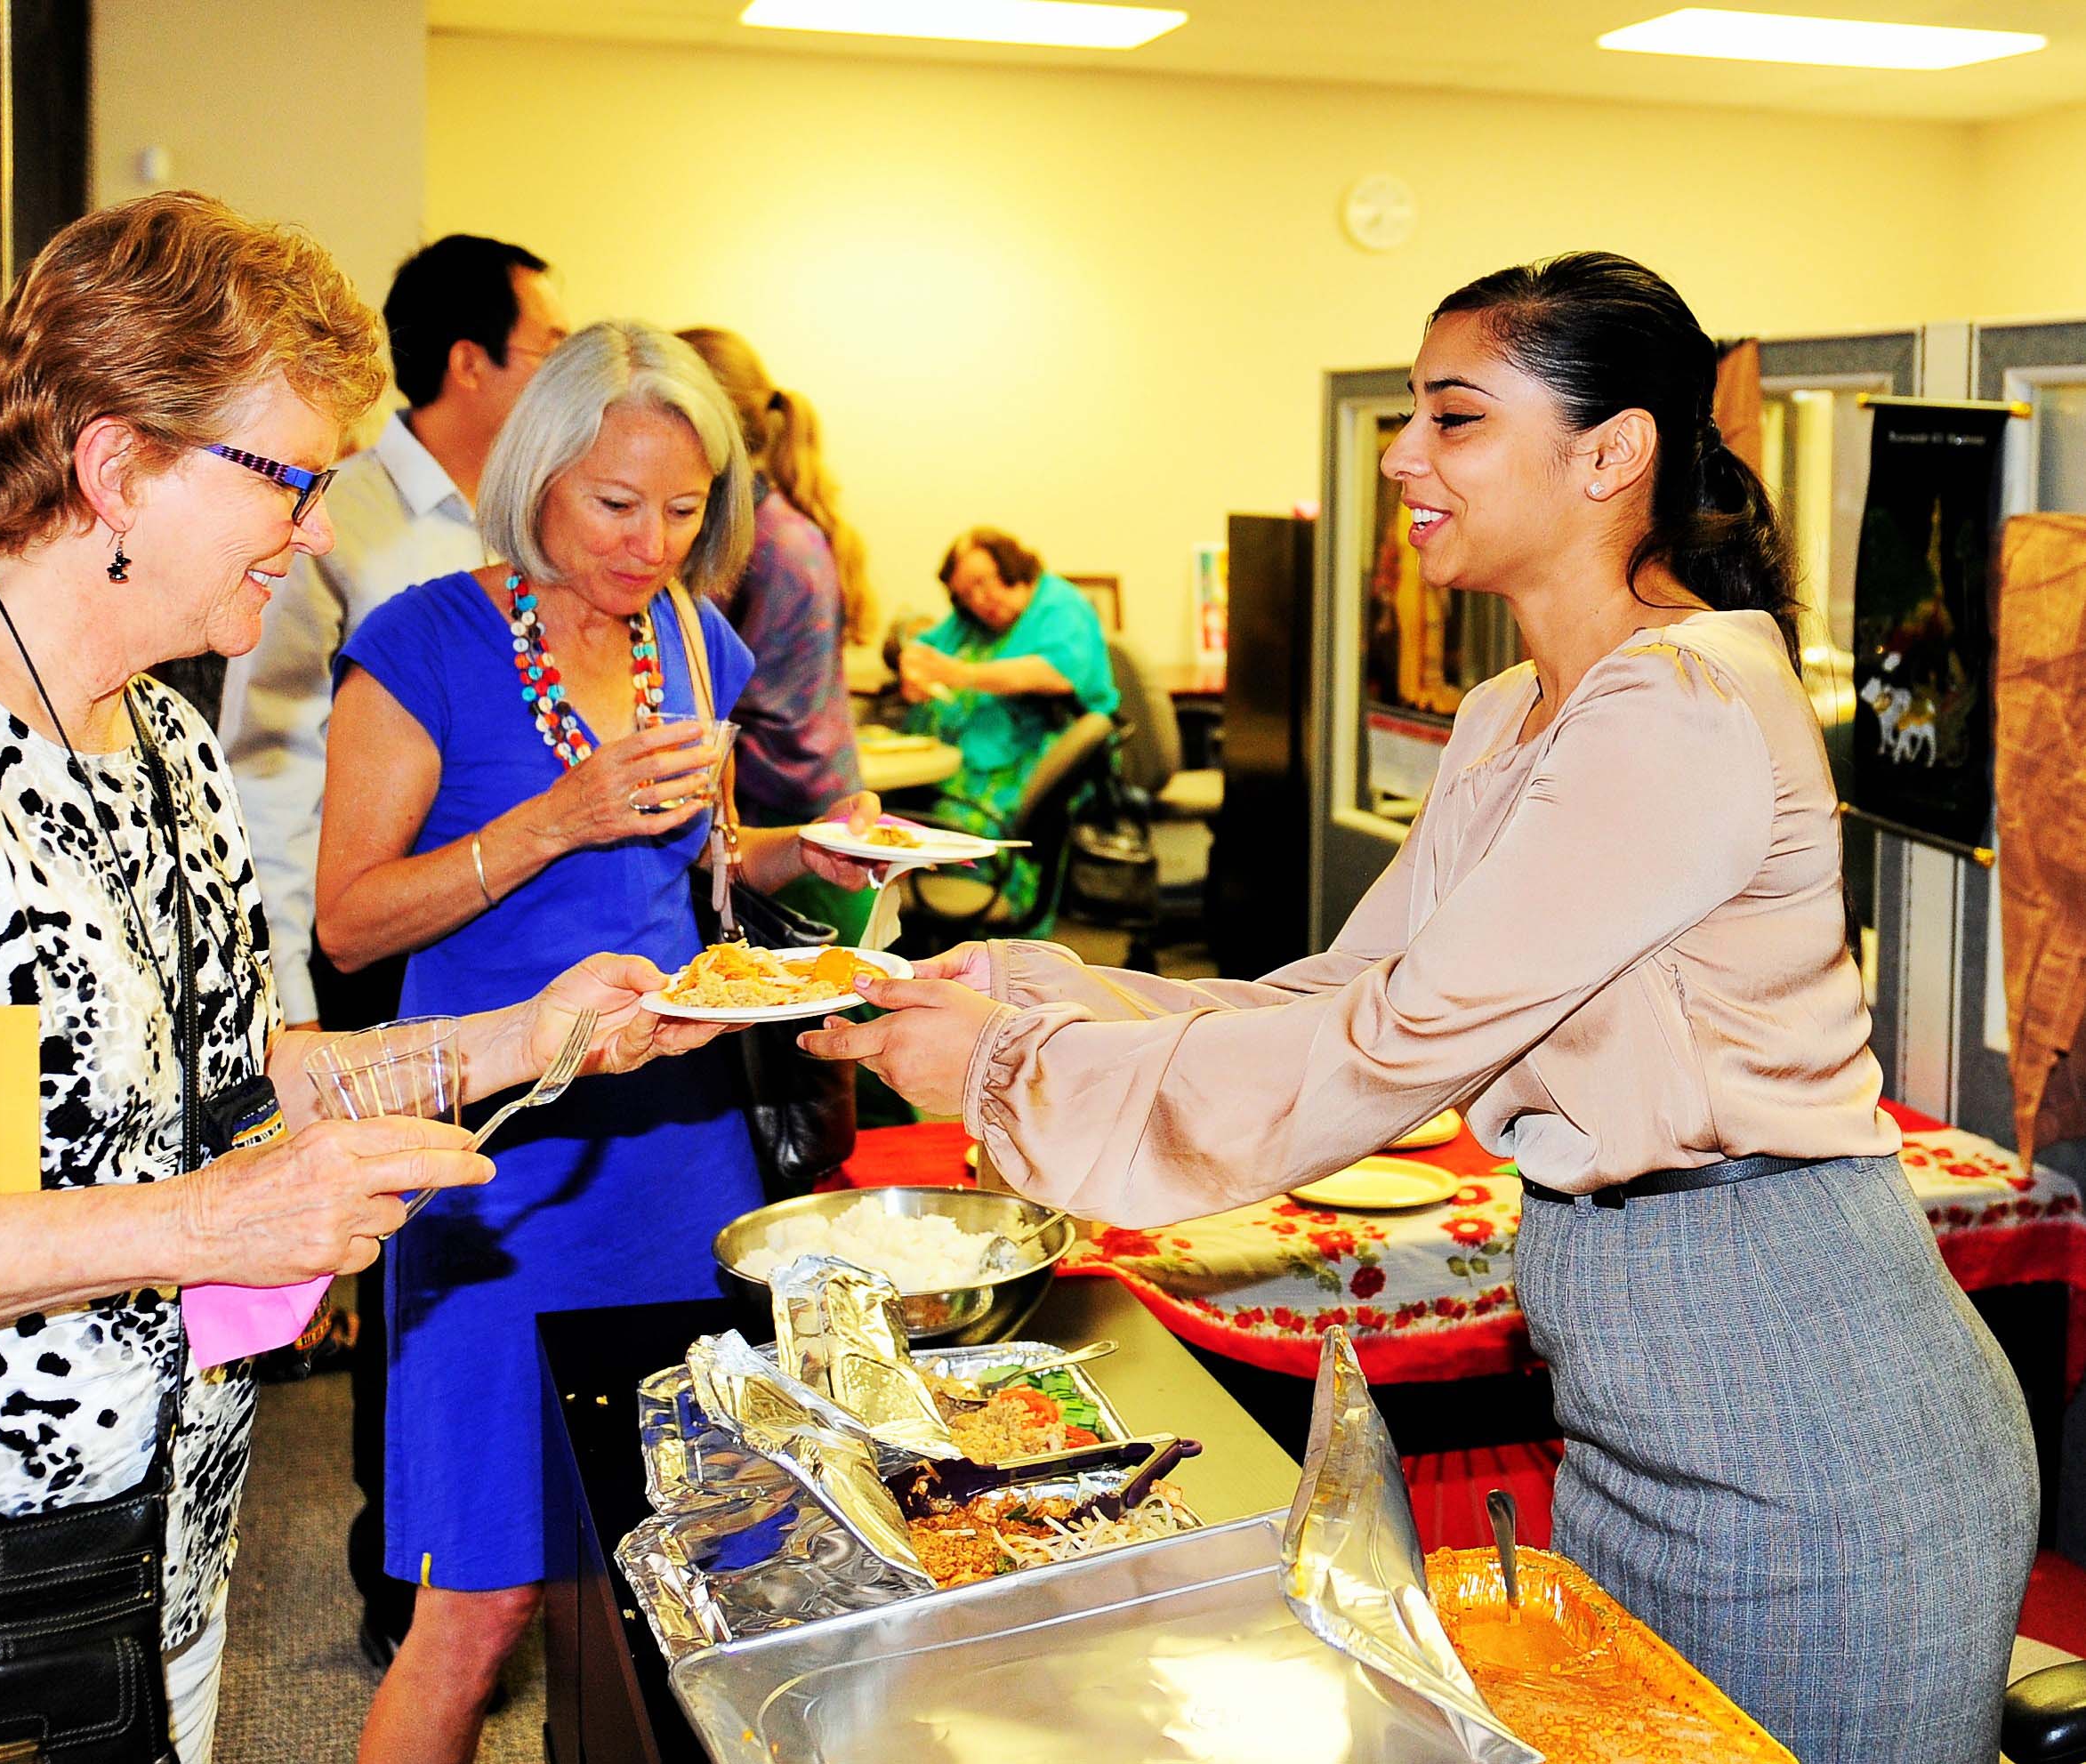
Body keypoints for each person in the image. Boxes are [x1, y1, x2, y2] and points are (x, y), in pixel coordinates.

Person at [802, 253, 2035, 1764]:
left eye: (1449, 419)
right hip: (1638, 1413)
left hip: (1802, 1414)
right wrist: (1027, 987)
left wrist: (1003, 1074)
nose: (1399, 457)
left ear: (1609, 451)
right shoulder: (1510, 709)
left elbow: (1388, 1048)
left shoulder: (1683, 706)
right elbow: (1338, 991)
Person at [0, 193, 721, 1764]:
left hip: (125, 1561)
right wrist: (214, 1222)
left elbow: (227, 1073)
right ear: (116, 465)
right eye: (289, 480)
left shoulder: (158, 736)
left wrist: (512, 1039)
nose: (321, 528)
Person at [314, 320, 881, 1764]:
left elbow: (703, 867)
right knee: (479, 1603)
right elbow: (351, 926)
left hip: (678, 1149)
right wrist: (553, 816)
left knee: (693, 1563)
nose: (649, 541)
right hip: (501, 1162)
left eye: (683, 509)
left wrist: (811, 854)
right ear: (536, 475)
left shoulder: (698, 636)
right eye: (614, 504)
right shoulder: (423, 641)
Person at [222, 233, 568, 1033]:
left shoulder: (537, 520)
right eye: (548, 350)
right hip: (376, 946)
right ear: (468, 362)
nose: (563, 378)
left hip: (518, 934)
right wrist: (287, 995)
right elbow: (269, 759)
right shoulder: (334, 520)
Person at [678, 325, 872, 938]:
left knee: (834, 1014)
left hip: (791, 821)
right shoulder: (777, 524)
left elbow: (714, 692)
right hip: (804, 803)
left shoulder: (756, 543)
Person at [898, 528, 1118, 925]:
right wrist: (912, 665)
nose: (979, 601)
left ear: (1011, 565)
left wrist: (959, 673)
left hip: (1032, 757)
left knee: (957, 824)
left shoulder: (1060, 606)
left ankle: (989, 930)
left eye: (982, 583)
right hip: (965, 759)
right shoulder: (973, 619)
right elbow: (924, 645)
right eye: (966, 594)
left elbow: (1057, 673)